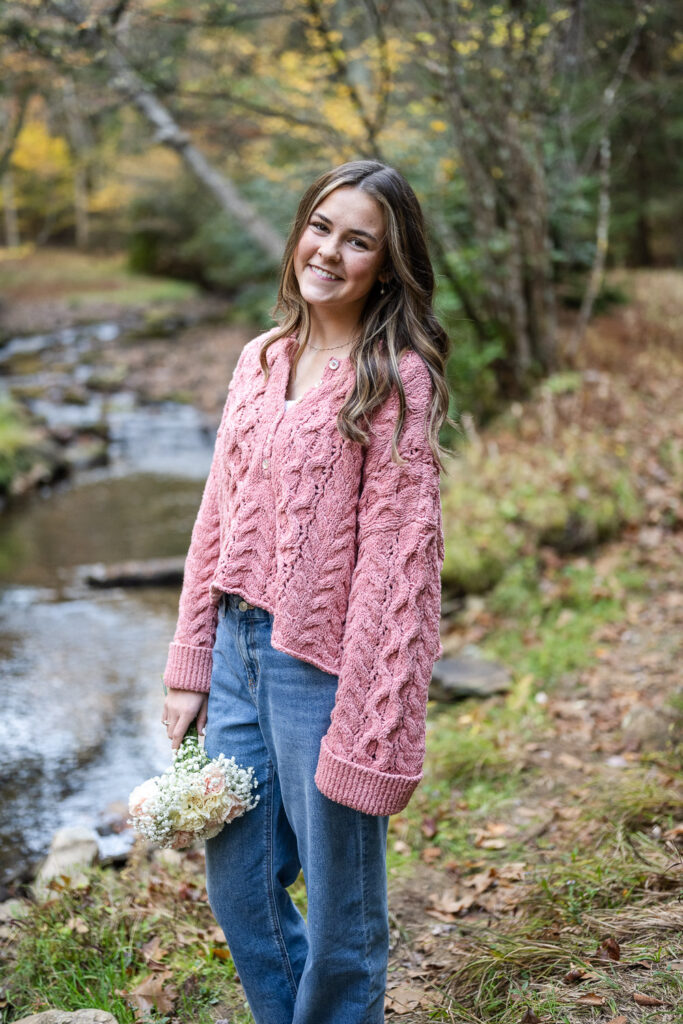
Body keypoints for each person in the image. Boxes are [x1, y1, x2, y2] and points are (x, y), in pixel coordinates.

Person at [161, 159, 452, 1024]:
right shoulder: (260, 359)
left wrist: (370, 719)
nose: (329, 250)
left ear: (387, 264)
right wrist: (190, 661)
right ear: (297, 231)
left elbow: (400, 569)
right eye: (320, 227)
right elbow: (218, 514)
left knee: (342, 916)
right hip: (237, 651)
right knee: (241, 882)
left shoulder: (394, 379)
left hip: (323, 670)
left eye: (358, 240)